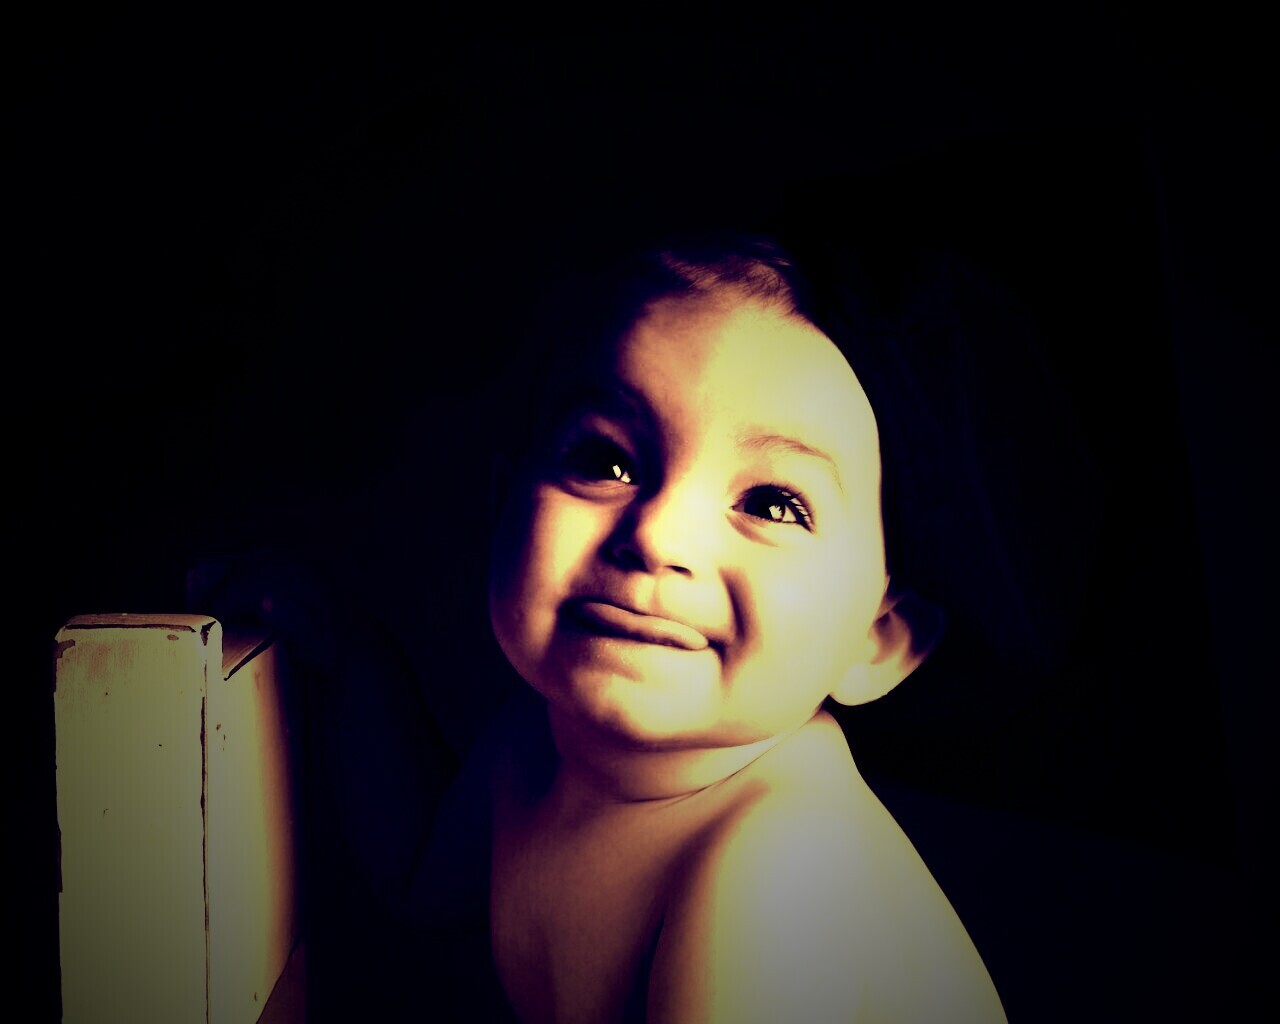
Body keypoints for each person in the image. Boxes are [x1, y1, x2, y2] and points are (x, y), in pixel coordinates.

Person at [197, 231, 1009, 1022]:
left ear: (879, 640)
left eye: (770, 504)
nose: (659, 535)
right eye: (606, 462)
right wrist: (350, 655)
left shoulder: (777, 867)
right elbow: (419, 871)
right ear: (502, 512)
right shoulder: (535, 744)